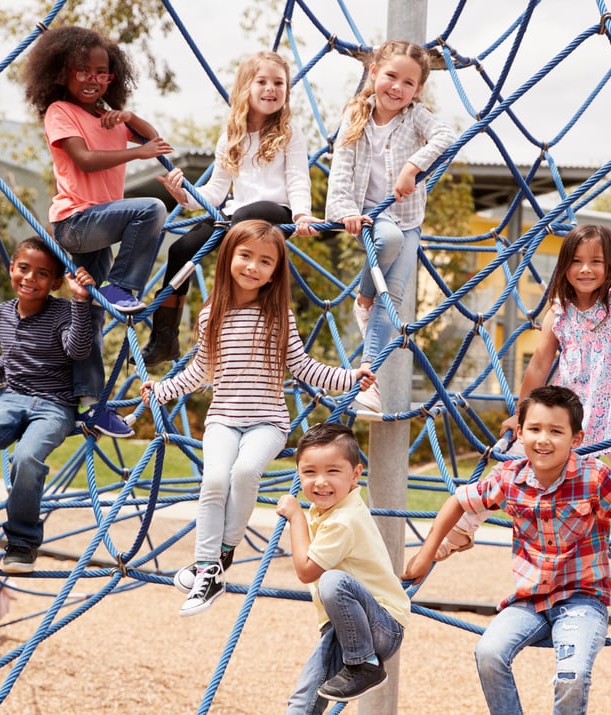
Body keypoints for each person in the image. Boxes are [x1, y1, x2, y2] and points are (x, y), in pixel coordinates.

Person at [438, 215, 611, 603]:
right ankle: (463, 528)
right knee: (509, 463)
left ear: (610, 267)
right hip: (568, 428)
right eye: (577, 261)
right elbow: (539, 365)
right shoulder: (558, 312)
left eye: (596, 261)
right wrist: (523, 415)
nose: (586, 269)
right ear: (565, 266)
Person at [403, 386, 611, 715]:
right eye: (535, 429)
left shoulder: (593, 477)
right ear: (520, 432)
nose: (543, 440)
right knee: (488, 652)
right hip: (530, 600)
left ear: (576, 439)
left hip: (583, 598)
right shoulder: (509, 478)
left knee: (573, 674)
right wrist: (425, 555)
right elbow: (457, 501)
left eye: (556, 431)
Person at [140, 221, 375, 617]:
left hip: (268, 421)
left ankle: (221, 555)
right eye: (245, 256)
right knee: (215, 479)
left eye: (265, 261)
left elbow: (303, 367)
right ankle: (205, 565)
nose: (253, 267)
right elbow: (200, 369)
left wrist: (349, 377)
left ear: (275, 271)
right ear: (228, 257)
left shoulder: (279, 316)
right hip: (224, 418)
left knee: (245, 472)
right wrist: (161, 390)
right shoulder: (211, 314)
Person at [23, 24, 173, 438]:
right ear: (62, 72)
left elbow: (155, 138)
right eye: (83, 71)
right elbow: (85, 160)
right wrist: (138, 152)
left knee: (85, 316)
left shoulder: (107, 118)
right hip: (75, 221)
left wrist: (129, 118)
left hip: (100, 226)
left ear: (114, 76)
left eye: (103, 72)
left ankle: (90, 405)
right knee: (152, 209)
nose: (93, 79)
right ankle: (122, 285)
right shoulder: (60, 112)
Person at [144, 50, 320, 368]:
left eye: (279, 83)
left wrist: (302, 215)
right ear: (245, 88)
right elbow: (215, 192)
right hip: (234, 215)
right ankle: (165, 335)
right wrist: (184, 195)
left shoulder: (289, 133)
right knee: (181, 248)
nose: (271, 89)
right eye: (262, 81)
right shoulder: (231, 137)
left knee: (238, 221)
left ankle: (217, 311)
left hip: (277, 213)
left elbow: (297, 179)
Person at [0, 237, 94, 576]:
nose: (30, 278)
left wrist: (80, 302)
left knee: (25, 458)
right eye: (23, 268)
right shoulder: (3, 313)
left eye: (42, 274)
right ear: (11, 269)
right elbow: (9, 360)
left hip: (55, 406)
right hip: (11, 399)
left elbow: (78, 351)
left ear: (56, 283)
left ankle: (23, 542)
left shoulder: (63, 311)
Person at [325, 39, 456, 412]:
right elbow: (341, 172)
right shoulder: (356, 116)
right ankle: (364, 296)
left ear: (418, 89)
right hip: (370, 214)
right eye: (391, 76)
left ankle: (369, 380)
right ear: (373, 73)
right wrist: (344, 211)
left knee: (391, 298)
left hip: (408, 216)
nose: (397, 87)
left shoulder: (416, 116)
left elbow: (446, 136)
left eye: (409, 83)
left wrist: (412, 166)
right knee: (387, 240)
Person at [276, 422, 410, 711]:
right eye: (309, 472)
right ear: (298, 474)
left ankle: (365, 664)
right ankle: (360, 662)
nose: (320, 482)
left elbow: (306, 570)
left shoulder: (342, 520)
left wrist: (295, 516)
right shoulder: (334, 508)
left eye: (333, 471)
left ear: (356, 474)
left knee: (332, 581)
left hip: (380, 626)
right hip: (348, 627)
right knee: (305, 700)